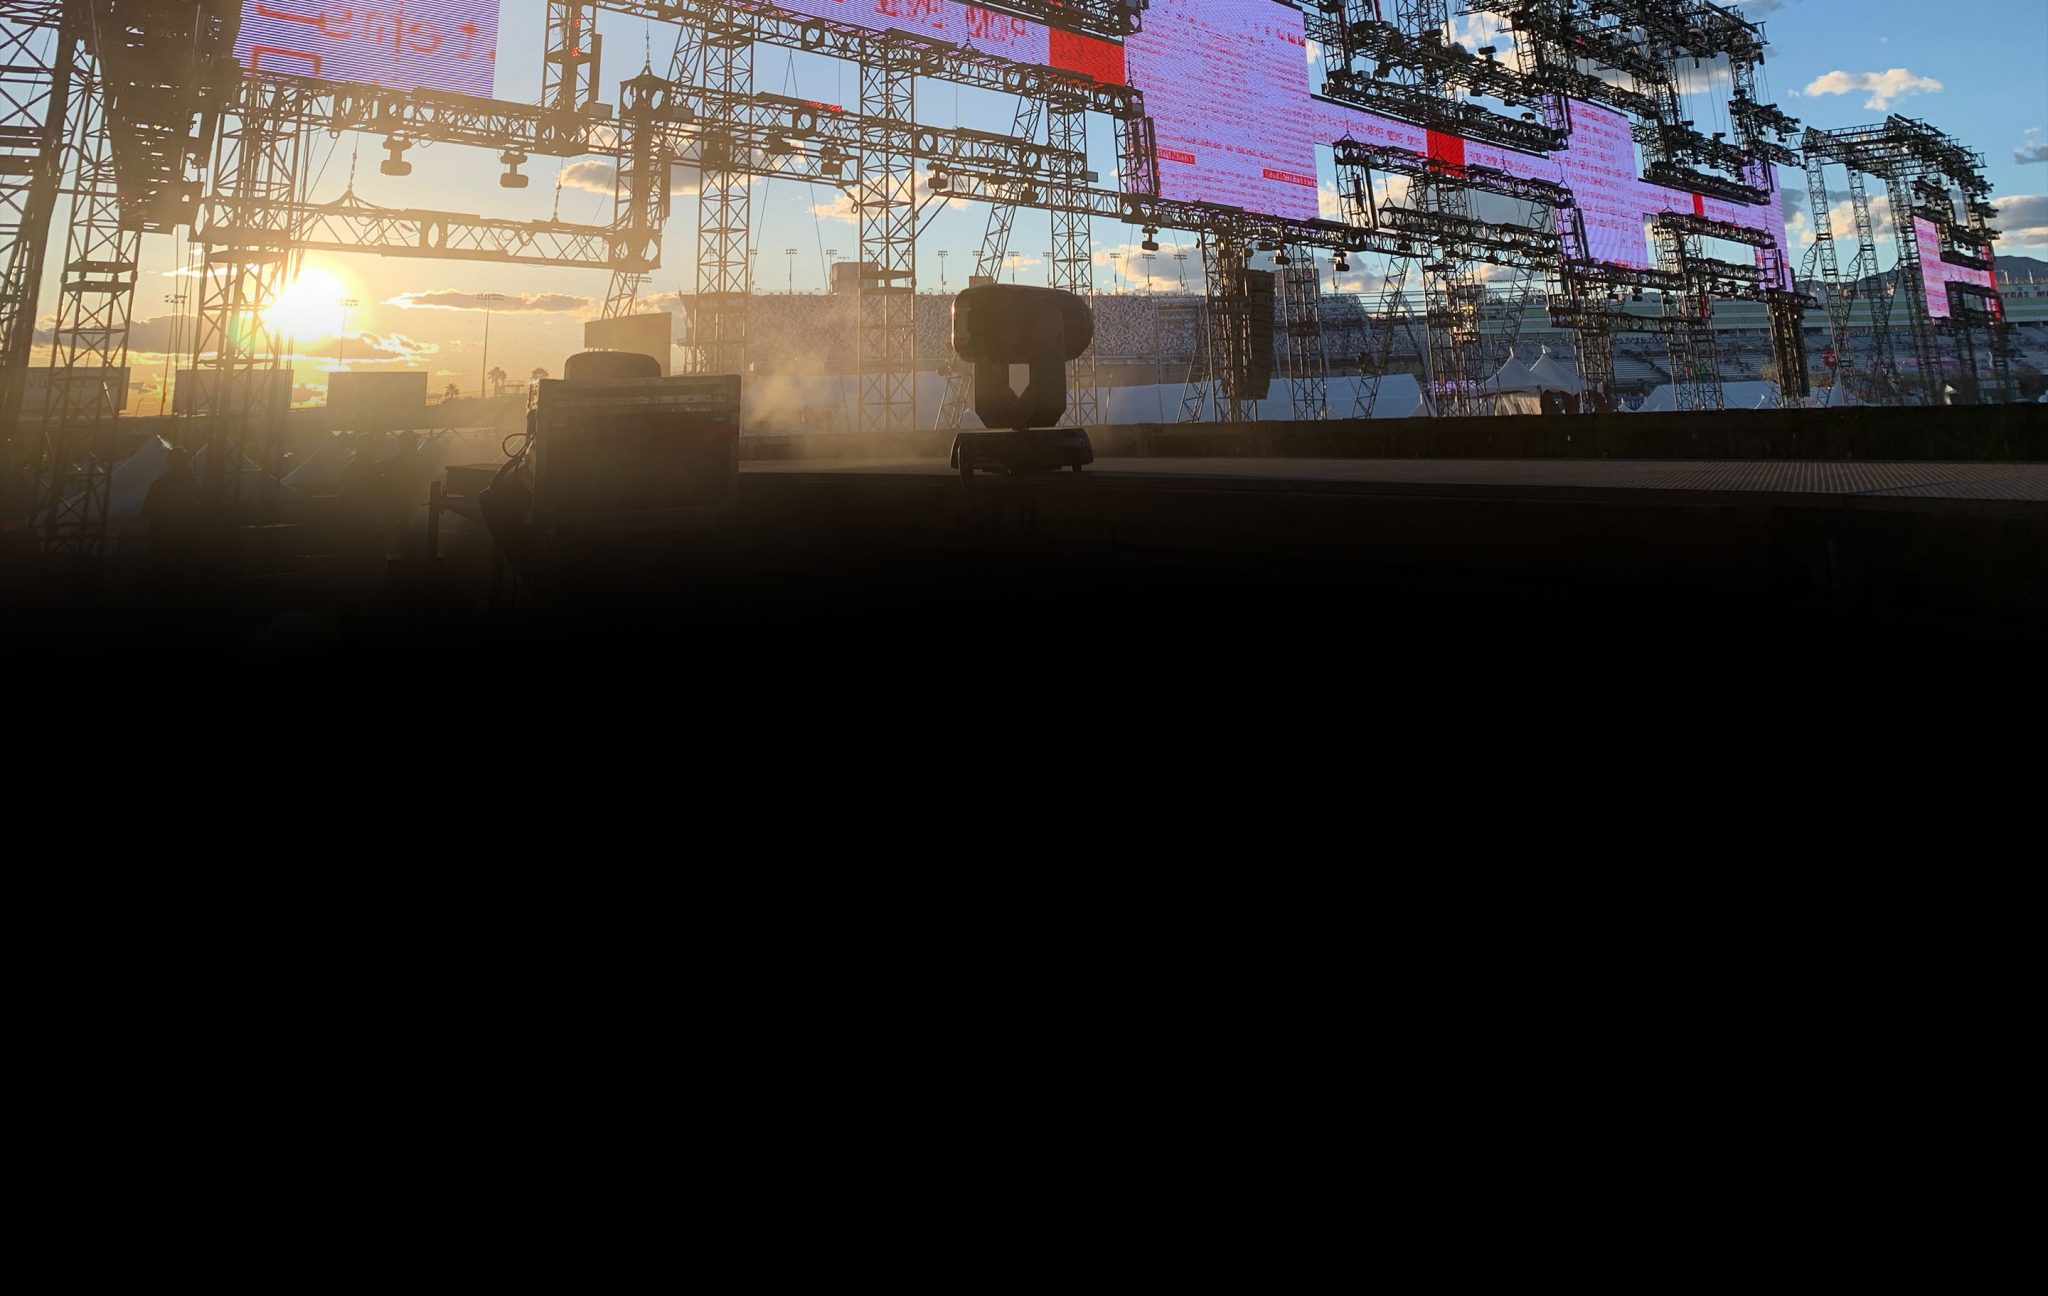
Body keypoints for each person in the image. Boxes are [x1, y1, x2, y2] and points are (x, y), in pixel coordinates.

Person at [140, 446, 198, 561]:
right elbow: (147, 509)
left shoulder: (188, 482)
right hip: (166, 539)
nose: (186, 465)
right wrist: (169, 510)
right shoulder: (162, 483)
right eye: (182, 462)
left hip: (177, 539)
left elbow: (146, 509)